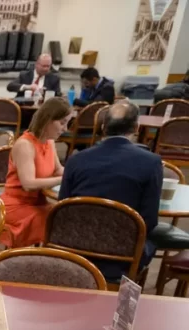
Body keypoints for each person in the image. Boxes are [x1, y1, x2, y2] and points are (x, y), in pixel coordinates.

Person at [59, 101, 162, 281]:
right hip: (122, 256)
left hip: (74, 249)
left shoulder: (76, 159)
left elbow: (62, 208)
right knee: (151, 240)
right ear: (137, 127)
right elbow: (149, 220)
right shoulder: (151, 162)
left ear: (103, 127)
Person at [0, 96, 70, 248]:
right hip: (17, 205)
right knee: (54, 223)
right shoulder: (25, 145)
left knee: (65, 217)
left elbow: (58, 170)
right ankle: (39, 263)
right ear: (48, 120)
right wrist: (63, 179)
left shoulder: (49, 142)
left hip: (38, 202)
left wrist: (77, 173)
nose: (65, 129)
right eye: (62, 123)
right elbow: (28, 184)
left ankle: (45, 262)